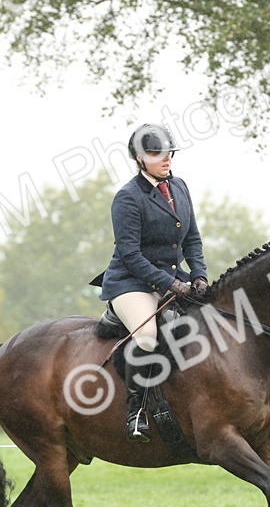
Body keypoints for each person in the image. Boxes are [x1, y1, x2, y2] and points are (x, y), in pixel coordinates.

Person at [89, 123, 209, 442]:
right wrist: (171, 283)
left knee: (210, 323)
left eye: (168, 152)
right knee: (146, 337)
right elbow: (129, 254)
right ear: (140, 159)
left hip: (173, 279)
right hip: (132, 282)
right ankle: (137, 412)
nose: (166, 159)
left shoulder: (180, 187)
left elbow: (193, 239)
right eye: (157, 154)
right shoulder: (128, 198)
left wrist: (198, 274)